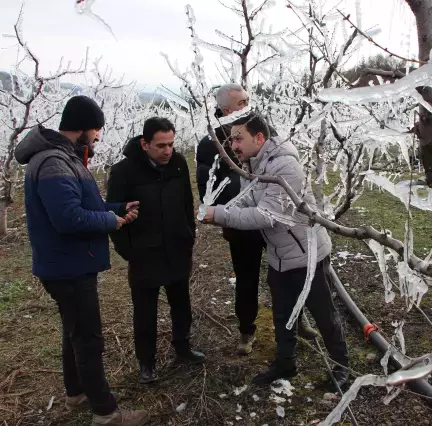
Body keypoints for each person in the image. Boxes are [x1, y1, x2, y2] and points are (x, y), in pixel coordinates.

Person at [14, 95, 149, 426]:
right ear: (84, 127)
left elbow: (84, 202)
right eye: (97, 129)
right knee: (88, 337)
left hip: (69, 263)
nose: (100, 136)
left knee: (75, 331)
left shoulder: (64, 158)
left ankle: (76, 392)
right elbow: (69, 218)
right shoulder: (53, 163)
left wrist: (116, 209)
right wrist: (111, 223)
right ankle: (106, 412)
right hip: (68, 266)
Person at [201, 112, 349, 390]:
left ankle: (342, 367)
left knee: (324, 313)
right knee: (283, 314)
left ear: (259, 138)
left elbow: (267, 215)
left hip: (306, 253)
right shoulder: (252, 164)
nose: (233, 145)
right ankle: (285, 363)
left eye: (238, 138)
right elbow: (246, 203)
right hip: (280, 254)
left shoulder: (284, 166)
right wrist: (220, 212)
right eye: (231, 139)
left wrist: (219, 215)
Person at [196, 83, 317, 356]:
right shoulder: (211, 144)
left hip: (274, 221)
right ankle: (246, 330)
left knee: (287, 273)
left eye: (248, 100)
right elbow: (208, 186)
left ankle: (298, 319)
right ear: (227, 109)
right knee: (246, 278)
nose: (248, 105)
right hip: (241, 222)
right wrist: (229, 212)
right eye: (242, 102)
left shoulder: (260, 129)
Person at [107, 117, 205, 385]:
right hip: (144, 254)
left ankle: (182, 347)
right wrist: (129, 252)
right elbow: (112, 213)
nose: (167, 151)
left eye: (171, 144)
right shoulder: (124, 172)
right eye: (161, 145)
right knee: (145, 311)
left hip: (176, 247)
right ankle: (147, 362)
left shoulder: (178, 164)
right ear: (144, 144)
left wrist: (188, 235)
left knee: (181, 303)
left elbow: (187, 201)